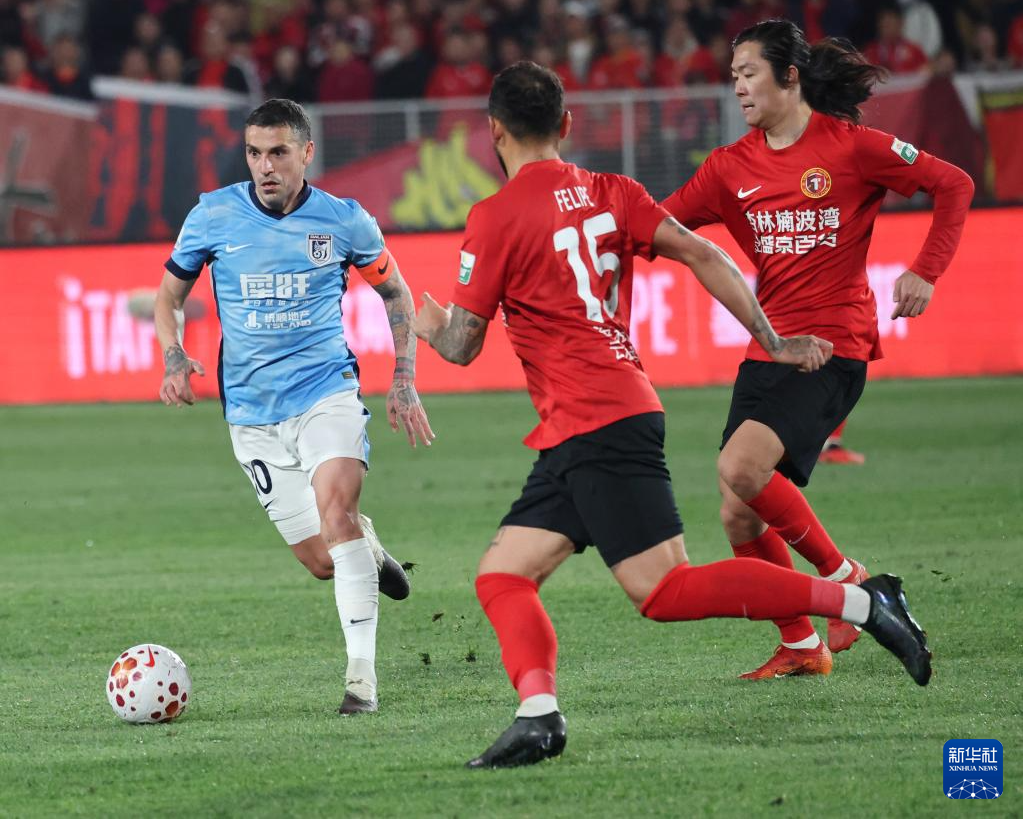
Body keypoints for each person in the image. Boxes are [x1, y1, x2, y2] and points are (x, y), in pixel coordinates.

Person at [412, 61, 931, 770]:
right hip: (591, 419)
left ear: (493, 131)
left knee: (664, 590)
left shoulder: (494, 217)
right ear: (566, 124)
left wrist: (422, 322)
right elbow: (703, 252)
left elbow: (462, 346)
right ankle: (538, 716)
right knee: (502, 575)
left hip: (595, 421)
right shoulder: (614, 192)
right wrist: (773, 338)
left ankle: (863, 603)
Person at [662, 20, 973, 680]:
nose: (738, 87)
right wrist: (590, 232)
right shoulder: (728, 167)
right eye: (733, 75)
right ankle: (802, 645)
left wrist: (926, 269)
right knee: (737, 513)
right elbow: (659, 225)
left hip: (833, 347)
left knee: (741, 468)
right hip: (769, 351)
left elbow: (953, 184)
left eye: (749, 73)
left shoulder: (852, 147)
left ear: (790, 76)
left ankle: (848, 579)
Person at [154, 98, 434, 715]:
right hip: (251, 416)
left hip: (325, 392)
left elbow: (396, 293)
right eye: (254, 153)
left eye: (278, 152)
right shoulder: (213, 215)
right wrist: (174, 356)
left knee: (337, 516)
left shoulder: (344, 221)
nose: (265, 166)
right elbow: (169, 296)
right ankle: (369, 548)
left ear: (307, 152)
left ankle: (361, 682)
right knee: (324, 561)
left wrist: (404, 377)